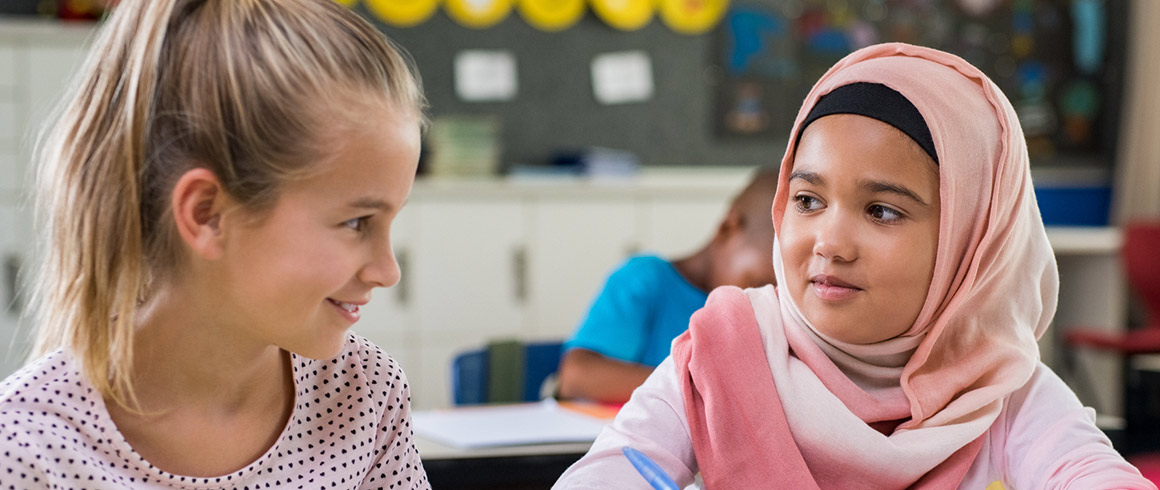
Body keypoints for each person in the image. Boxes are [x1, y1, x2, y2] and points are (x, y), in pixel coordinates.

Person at [554, 43, 1156, 488]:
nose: (831, 243)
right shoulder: (717, 356)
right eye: (807, 200)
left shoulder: (999, 392)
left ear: (970, 242)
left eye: (882, 211)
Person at [0, 1, 430, 488]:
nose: (387, 271)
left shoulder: (366, 393)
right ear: (207, 214)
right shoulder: (24, 450)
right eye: (356, 222)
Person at [556, 167, 778, 404]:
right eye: (758, 283)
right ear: (728, 228)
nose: (761, 298)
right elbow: (575, 377)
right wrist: (701, 387)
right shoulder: (645, 280)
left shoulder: (763, 314)